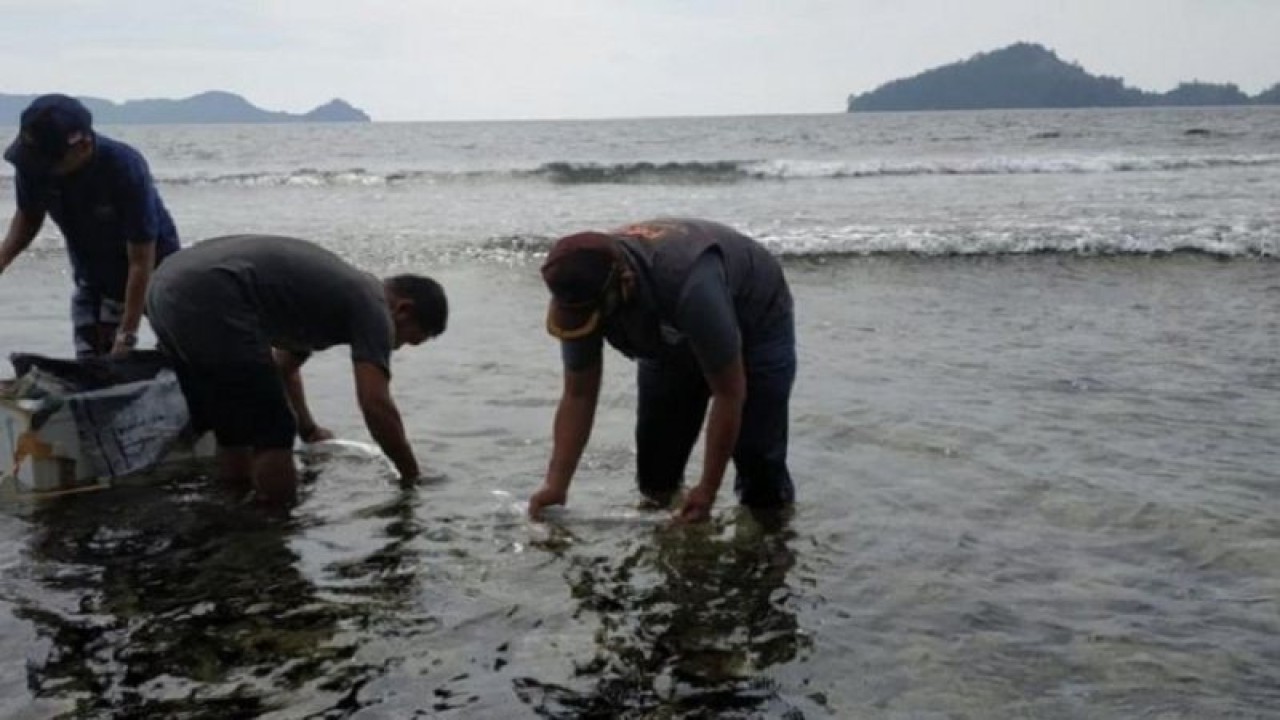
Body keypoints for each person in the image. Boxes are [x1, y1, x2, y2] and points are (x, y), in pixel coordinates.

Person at [145, 234, 448, 506]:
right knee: (273, 428)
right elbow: (375, 404)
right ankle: (273, 527)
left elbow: (283, 369)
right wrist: (411, 474)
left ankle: (232, 509)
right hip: (210, 292)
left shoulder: (323, 300)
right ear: (403, 310)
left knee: (233, 423)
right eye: (408, 339)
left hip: (163, 287)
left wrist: (310, 430)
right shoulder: (373, 305)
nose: (396, 348)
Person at [528, 218, 796, 523]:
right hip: (666, 333)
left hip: (755, 320)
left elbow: (729, 393)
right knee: (656, 474)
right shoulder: (579, 289)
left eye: (595, 313)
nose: (586, 319)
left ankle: (770, 542)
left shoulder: (689, 284)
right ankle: (673, 546)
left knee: (758, 464)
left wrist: (707, 489)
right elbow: (578, 394)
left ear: (625, 281)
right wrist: (556, 485)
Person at [1, 94, 179, 358]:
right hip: (94, 275)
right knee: (92, 363)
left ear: (83, 145)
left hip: (155, 269)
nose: (41, 169)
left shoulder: (123, 167)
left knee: (179, 353)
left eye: (51, 161)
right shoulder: (33, 164)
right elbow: (29, 216)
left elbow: (141, 259)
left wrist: (128, 334)